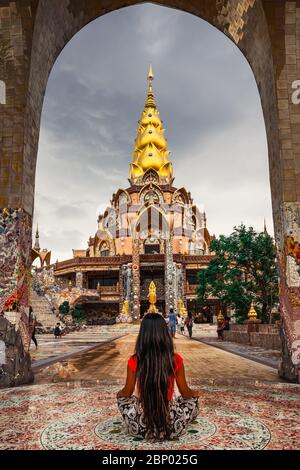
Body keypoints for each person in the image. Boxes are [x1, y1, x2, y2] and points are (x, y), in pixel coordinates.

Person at [116, 313, 199, 441]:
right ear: (164, 333)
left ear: (143, 334)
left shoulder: (134, 360)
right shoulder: (175, 359)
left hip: (140, 426)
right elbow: (185, 392)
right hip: (172, 426)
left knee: (123, 399)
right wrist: (195, 394)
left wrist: (119, 394)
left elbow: (127, 393)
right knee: (192, 400)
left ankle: (149, 429)